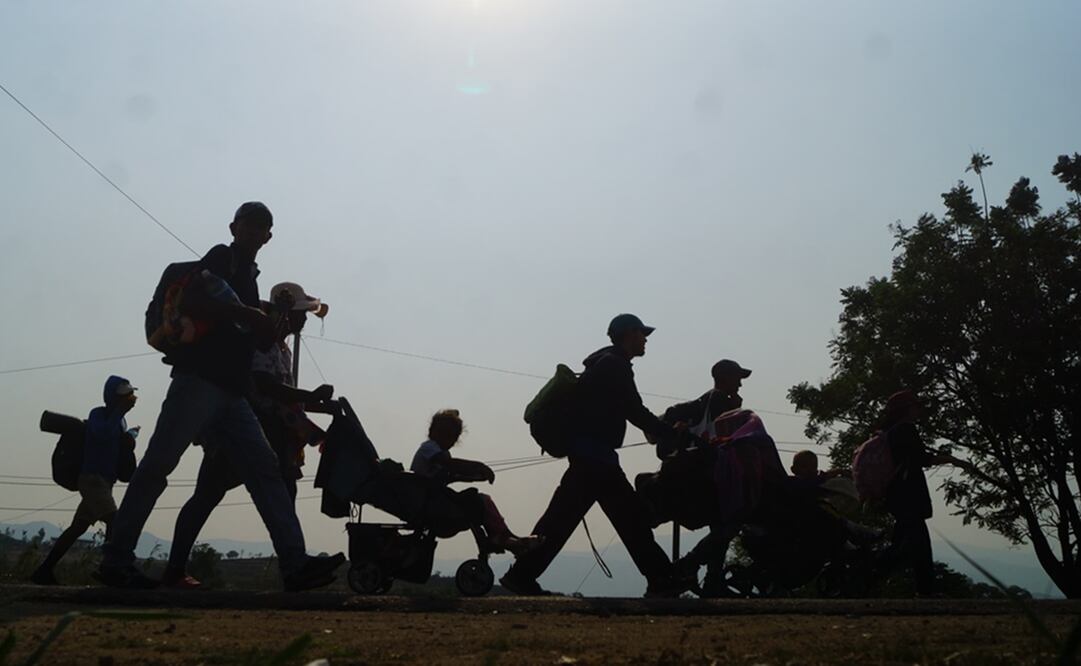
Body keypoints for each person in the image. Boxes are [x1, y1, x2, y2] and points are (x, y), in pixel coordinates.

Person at [98, 202, 343, 591]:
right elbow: (195, 300)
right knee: (158, 467)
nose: (253, 231)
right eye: (248, 224)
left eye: (261, 226)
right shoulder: (222, 258)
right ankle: (116, 560)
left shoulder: (249, 275)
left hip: (231, 392)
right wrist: (246, 314)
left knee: (265, 473)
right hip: (199, 382)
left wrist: (267, 318)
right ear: (234, 227)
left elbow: (257, 337)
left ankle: (295, 565)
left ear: (268, 236)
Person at [160, 281, 336, 589]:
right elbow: (262, 384)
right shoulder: (259, 339)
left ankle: (293, 566)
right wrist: (309, 394)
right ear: (288, 312)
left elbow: (283, 393)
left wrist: (316, 402)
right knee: (209, 495)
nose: (305, 319)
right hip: (245, 426)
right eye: (301, 313)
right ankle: (175, 567)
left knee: (282, 491)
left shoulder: (281, 348)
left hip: (272, 428)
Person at [500, 314, 686, 597]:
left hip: (591, 457)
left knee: (571, 518)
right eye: (641, 333)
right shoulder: (615, 365)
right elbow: (635, 410)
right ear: (628, 334)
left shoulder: (605, 363)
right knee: (627, 519)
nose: (645, 339)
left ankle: (521, 575)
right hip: (595, 459)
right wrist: (671, 433)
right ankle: (662, 578)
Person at [31, 376, 139, 585]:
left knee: (78, 527)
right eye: (124, 394)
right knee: (115, 522)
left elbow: (114, 444)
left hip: (105, 482)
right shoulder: (99, 414)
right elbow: (101, 433)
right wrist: (120, 413)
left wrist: (129, 436)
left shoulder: (119, 420)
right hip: (93, 479)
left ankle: (44, 570)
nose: (129, 398)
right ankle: (111, 568)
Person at [410, 409, 542, 555]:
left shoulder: (440, 452)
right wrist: (477, 467)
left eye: (454, 436)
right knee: (479, 501)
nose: (451, 440)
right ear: (434, 431)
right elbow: (451, 465)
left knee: (480, 501)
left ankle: (506, 536)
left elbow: (452, 475)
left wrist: (474, 476)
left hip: (435, 499)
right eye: (447, 434)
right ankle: (502, 538)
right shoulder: (429, 448)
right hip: (431, 501)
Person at [878, 390, 955, 597]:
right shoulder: (906, 429)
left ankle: (868, 574)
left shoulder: (889, 432)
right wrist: (950, 459)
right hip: (908, 495)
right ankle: (925, 591)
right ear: (907, 409)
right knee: (918, 544)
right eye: (916, 406)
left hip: (896, 495)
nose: (919, 410)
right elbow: (921, 458)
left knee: (903, 544)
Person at [660, 359, 751, 454]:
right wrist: (734, 411)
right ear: (726, 378)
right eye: (737, 379)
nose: (740, 384)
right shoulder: (719, 397)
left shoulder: (704, 401)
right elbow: (726, 434)